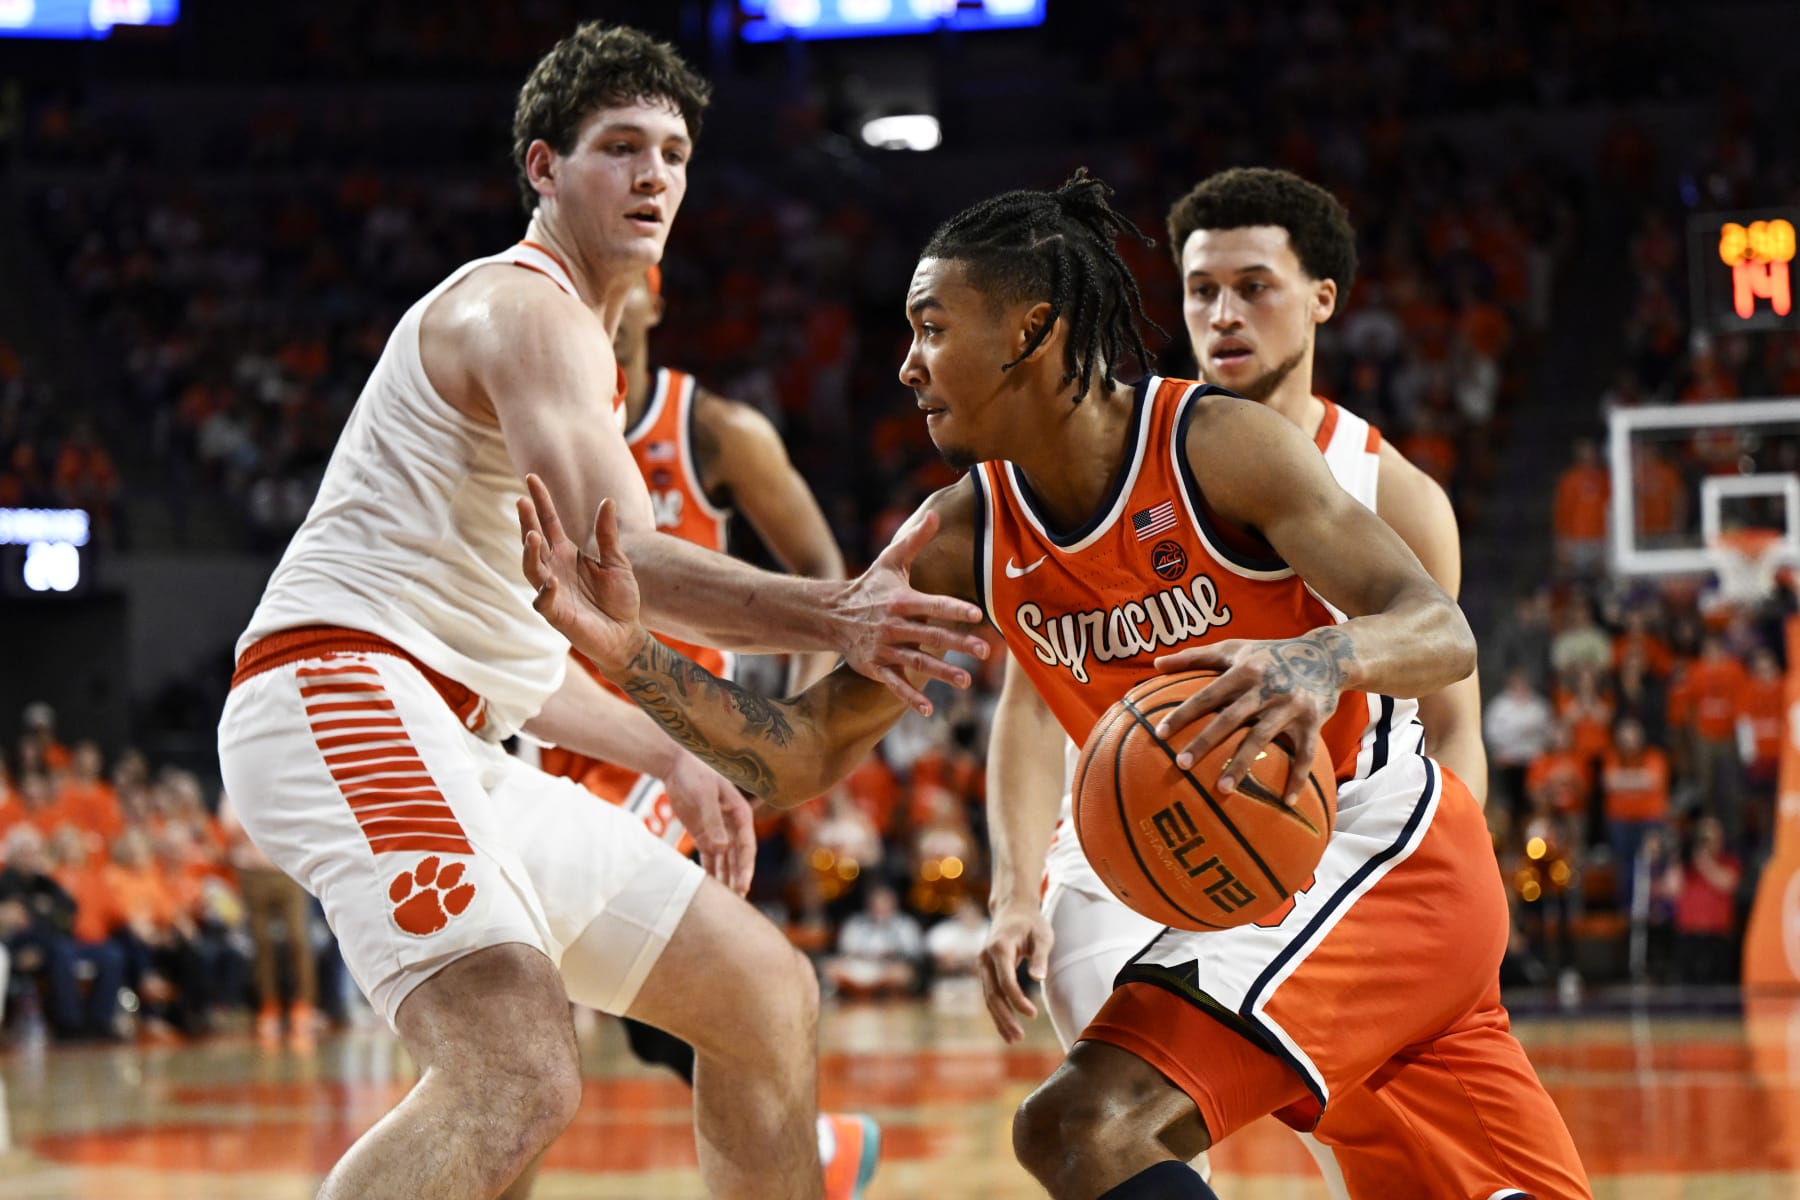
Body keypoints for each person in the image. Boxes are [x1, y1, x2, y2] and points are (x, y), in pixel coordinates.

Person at [522, 172, 1589, 1199]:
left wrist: (1318, 658)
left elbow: (1438, 628)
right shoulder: (960, 540)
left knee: (1085, 1128)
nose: (907, 365)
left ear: (1033, 331)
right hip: (1240, 881)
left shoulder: (1217, 446)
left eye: (933, 328)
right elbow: (802, 751)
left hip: (1375, 843)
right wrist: (630, 657)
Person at [216, 24, 985, 1200]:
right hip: (333, 690)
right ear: (542, 168)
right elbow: (624, 558)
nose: (654, 176)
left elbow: (525, 656)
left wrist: (675, 760)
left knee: (763, 993)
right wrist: (843, 615)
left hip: (452, 721)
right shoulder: (525, 311)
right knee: (513, 1072)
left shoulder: (589, 358)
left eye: (673, 152)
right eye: (620, 147)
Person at [978, 165, 1490, 1197]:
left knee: (1362, 1146)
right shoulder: (1128, 452)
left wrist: (1443, 935)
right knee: (1114, 1127)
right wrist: (1009, 889)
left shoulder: (1392, 492)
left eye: (1254, 286)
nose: (1222, 312)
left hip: (1323, 839)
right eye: (1202, 289)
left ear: (1322, 300)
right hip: (1128, 846)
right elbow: (1032, 702)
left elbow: (1450, 722)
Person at [536, 267, 875, 1194]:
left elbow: (819, 567)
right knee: (639, 1001)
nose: (600, 311)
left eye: (619, 293)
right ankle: (815, 1148)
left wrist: (797, 733)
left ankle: (799, 1150)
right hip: (555, 726)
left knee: (579, 960)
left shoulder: (715, 431)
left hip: (674, 733)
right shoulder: (526, 411)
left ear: (652, 301)